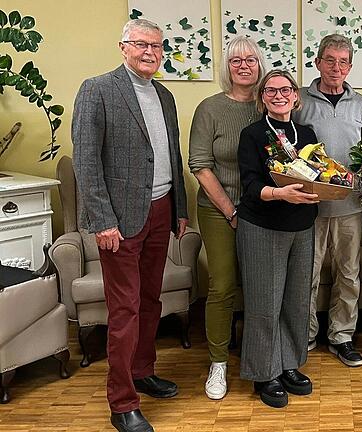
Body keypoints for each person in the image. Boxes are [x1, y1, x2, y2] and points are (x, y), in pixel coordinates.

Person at [72, 18, 188, 432]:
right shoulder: (98, 90)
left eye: (157, 46)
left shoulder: (165, 95)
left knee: (151, 302)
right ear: (123, 46)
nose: (150, 53)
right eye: (141, 44)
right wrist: (102, 220)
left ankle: (143, 371)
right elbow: (86, 163)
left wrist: (179, 210)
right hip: (119, 221)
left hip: (160, 211)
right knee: (125, 309)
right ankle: (122, 403)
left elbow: (172, 156)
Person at [188, 36, 265, 400]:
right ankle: (218, 362)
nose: (244, 65)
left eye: (251, 59)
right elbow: (200, 165)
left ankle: (258, 356)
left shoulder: (268, 106)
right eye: (237, 61)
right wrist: (230, 210)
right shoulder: (210, 108)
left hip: (262, 209)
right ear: (227, 67)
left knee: (259, 284)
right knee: (222, 285)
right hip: (219, 208)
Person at [237, 69, 319, 408]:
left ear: (296, 97)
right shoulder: (253, 135)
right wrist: (279, 194)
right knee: (264, 303)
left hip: (302, 226)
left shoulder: (307, 133)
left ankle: (288, 364)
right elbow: (251, 184)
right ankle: (263, 373)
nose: (279, 95)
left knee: (296, 301)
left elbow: (318, 174)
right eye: (270, 91)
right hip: (263, 225)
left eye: (285, 89)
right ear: (261, 99)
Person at [293, 34, 362, 367]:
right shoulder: (299, 101)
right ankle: (305, 335)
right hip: (310, 206)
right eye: (329, 60)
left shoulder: (361, 104)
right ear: (317, 62)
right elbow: (289, 150)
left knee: (348, 274)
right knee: (306, 274)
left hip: (351, 206)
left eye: (342, 62)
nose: (335, 67)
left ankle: (342, 336)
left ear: (350, 66)